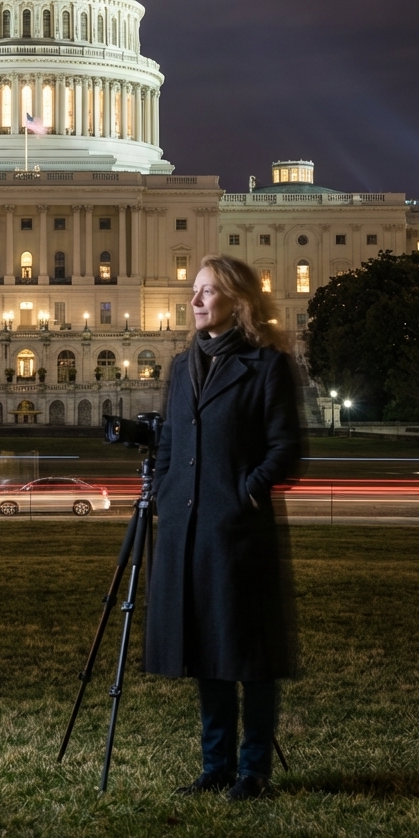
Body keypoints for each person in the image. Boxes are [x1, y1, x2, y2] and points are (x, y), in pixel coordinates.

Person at [145, 255, 303, 801]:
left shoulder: (268, 365)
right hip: (190, 528)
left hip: (240, 529)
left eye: (207, 292)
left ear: (238, 301)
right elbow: (169, 444)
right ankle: (217, 765)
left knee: (252, 655)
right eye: (195, 291)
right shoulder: (182, 366)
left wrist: (247, 492)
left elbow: (287, 449)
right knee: (207, 651)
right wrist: (166, 490)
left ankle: (254, 770)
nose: (194, 302)